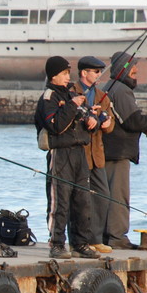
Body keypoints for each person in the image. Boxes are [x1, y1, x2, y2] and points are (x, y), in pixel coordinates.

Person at [34, 56, 100, 259]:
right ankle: (56, 244)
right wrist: (72, 105)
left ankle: (80, 243)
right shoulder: (49, 97)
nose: (67, 77)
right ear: (53, 75)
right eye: (63, 73)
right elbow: (56, 126)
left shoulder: (72, 94)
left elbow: (84, 117)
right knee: (59, 201)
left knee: (82, 200)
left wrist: (93, 118)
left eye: (67, 73)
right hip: (60, 154)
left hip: (79, 152)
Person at [102, 51, 147, 249]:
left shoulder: (111, 87)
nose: (136, 70)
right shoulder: (121, 90)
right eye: (132, 67)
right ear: (122, 70)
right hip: (117, 154)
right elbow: (132, 119)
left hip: (109, 152)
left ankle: (107, 236)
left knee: (108, 195)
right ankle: (117, 238)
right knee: (119, 196)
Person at [71, 56, 115, 255]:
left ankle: (96, 239)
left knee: (103, 195)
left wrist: (107, 123)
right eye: (95, 72)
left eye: (100, 72)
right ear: (84, 73)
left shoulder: (101, 95)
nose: (99, 75)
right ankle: (79, 241)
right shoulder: (73, 92)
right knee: (80, 199)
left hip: (97, 155)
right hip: (79, 154)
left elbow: (110, 120)